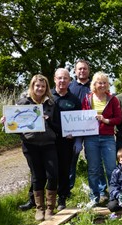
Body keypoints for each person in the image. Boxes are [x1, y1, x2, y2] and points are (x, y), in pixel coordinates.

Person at [0, 75, 60, 220]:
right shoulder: (23, 102)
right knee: (37, 176)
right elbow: (15, 125)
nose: (40, 88)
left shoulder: (51, 104)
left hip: (48, 144)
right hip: (30, 145)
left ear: (46, 88)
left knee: (52, 175)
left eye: (43, 86)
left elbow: (58, 126)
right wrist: (7, 122)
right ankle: (40, 209)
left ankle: (50, 208)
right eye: (37, 86)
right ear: (32, 87)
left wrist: (48, 121)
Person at [82, 71, 122, 205]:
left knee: (111, 168)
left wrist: (105, 120)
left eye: (105, 82)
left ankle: (114, 195)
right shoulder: (87, 98)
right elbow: (81, 117)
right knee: (94, 168)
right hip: (91, 138)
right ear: (94, 84)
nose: (102, 85)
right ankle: (95, 197)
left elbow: (118, 118)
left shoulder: (113, 99)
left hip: (108, 137)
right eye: (100, 82)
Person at [68, 59, 106, 193]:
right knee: (71, 160)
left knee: (95, 160)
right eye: (80, 69)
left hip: (93, 129)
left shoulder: (96, 85)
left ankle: (101, 190)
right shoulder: (70, 86)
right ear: (75, 71)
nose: (82, 71)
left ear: (88, 71)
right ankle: (68, 190)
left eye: (85, 68)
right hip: (74, 129)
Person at [51, 68, 82, 211]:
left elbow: (79, 120)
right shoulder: (47, 97)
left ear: (70, 81)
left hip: (66, 141)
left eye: (65, 78)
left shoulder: (74, 100)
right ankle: (41, 197)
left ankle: (62, 197)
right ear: (54, 79)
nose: (62, 81)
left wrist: (76, 136)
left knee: (64, 169)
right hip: (49, 141)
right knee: (49, 170)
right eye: (59, 78)